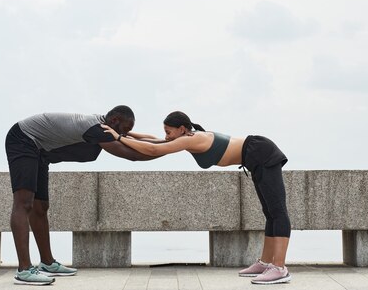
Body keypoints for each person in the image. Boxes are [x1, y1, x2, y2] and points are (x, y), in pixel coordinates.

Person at [103, 111, 291, 285]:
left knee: (278, 212)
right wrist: (128, 135)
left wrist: (118, 138)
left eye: (169, 132)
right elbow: (155, 141)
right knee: (269, 213)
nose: (167, 136)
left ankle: (280, 268)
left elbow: (154, 150)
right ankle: (266, 263)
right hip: (254, 157)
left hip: (261, 152)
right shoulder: (187, 138)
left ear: (182, 130)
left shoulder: (191, 139)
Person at [5, 105, 159, 285]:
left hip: (40, 151)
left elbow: (144, 141)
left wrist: (176, 142)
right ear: (115, 120)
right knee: (24, 204)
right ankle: (24, 270)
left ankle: (47, 263)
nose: (124, 135)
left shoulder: (106, 125)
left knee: (40, 206)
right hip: (23, 140)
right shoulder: (96, 129)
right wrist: (175, 148)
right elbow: (133, 154)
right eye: (124, 130)